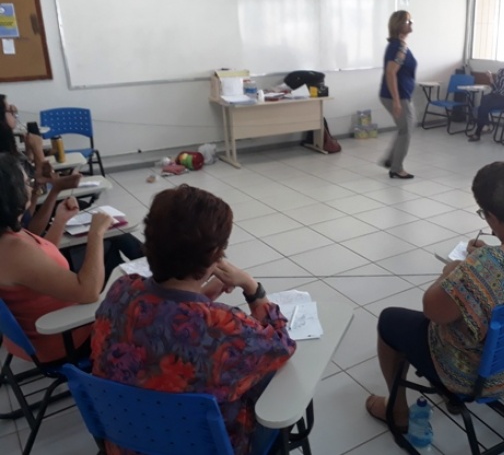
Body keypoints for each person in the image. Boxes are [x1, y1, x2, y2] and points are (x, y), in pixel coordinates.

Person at [364, 162, 504, 434]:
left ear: (492, 217)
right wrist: (483, 261)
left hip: (478, 378)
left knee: (390, 320)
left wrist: (451, 272)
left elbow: (433, 310)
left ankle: (397, 411)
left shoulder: (486, 266)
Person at [91, 185, 296, 455]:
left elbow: (163, 317)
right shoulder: (226, 329)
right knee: (282, 385)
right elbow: (282, 346)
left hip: (127, 442)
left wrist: (200, 297)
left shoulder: (121, 290)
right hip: (209, 447)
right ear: (215, 255)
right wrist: (252, 287)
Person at [0, 153, 112, 363]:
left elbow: (41, 259)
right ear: (12, 194)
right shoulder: (13, 249)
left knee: (115, 255)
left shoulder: (8, 234)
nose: (33, 188)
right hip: (65, 338)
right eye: (27, 183)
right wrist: (96, 233)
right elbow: (88, 292)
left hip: (41, 333)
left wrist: (60, 221)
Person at [0, 94, 81, 234]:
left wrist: (30, 153)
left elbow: (32, 193)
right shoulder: (5, 162)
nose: (14, 112)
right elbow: (29, 226)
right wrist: (38, 151)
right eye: (9, 110)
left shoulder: (8, 151)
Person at [380, 10, 417, 179]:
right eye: (408, 22)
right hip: (397, 96)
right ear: (399, 25)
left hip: (402, 95)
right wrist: (396, 100)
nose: (411, 24)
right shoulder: (398, 47)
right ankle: (396, 168)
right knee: (406, 130)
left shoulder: (400, 44)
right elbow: (391, 72)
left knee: (406, 127)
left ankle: (391, 159)